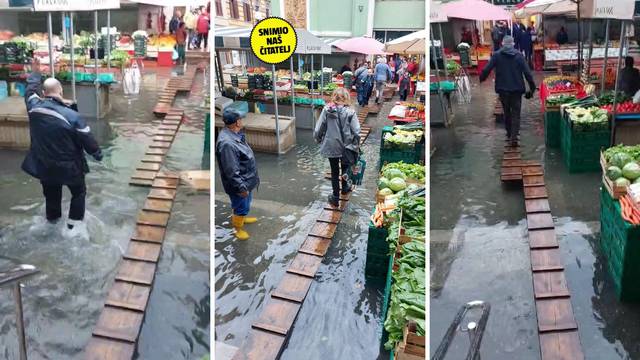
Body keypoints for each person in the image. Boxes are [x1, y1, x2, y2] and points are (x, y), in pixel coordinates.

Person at [22, 58, 103, 236]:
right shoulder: (72, 116)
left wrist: (35, 73)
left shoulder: (33, 107)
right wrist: (97, 154)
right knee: (78, 192)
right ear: (60, 91)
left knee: (51, 194)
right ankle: (73, 228)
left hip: (44, 165)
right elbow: (87, 139)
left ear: (44, 93)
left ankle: (51, 223)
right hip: (70, 167)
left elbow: (29, 90)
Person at [480, 35, 536, 147]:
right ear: (513, 44)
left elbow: (486, 69)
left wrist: (482, 78)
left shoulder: (497, 55)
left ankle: (509, 134)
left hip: (503, 90)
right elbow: (528, 74)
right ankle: (514, 137)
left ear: (502, 44)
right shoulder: (519, 56)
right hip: (516, 90)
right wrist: (532, 88)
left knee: (507, 113)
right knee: (516, 114)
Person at [215, 108, 260, 241]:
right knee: (240, 207)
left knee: (245, 204)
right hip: (240, 184)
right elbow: (231, 171)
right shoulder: (227, 143)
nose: (242, 121)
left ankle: (242, 218)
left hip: (246, 180)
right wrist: (240, 188)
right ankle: (238, 229)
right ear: (237, 122)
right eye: (240, 119)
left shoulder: (234, 135)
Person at [313, 88, 361, 207]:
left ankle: (335, 197)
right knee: (345, 169)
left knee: (334, 171)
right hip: (347, 146)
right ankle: (345, 188)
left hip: (332, 145)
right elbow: (357, 132)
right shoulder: (351, 112)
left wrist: (318, 139)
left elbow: (319, 128)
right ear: (346, 98)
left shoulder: (327, 110)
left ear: (334, 97)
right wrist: (355, 145)